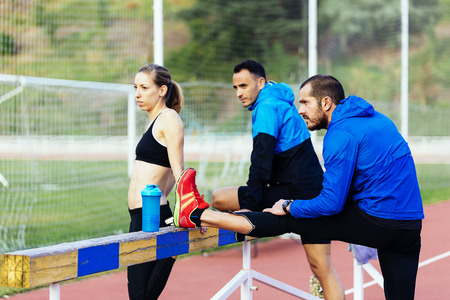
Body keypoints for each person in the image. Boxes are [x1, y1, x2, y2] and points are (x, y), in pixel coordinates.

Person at [174, 74, 424, 300]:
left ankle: (196, 213)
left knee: (284, 219)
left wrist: (289, 206)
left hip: (379, 222)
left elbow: (331, 203)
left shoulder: (339, 135)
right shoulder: (377, 118)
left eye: (305, 102)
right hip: (410, 228)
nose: (300, 109)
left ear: (326, 103)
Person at [210, 59, 344, 299]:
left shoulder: (267, 107)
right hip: (312, 192)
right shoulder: (279, 99)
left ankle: (202, 218)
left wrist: (250, 206)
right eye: (235, 87)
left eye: (244, 85)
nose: (239, 93)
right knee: (322, 269)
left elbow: (261, 161)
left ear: (260, 83)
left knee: (218, 198)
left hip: (297, 196)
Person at [127, 63, 184, 300]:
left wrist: (188, 210)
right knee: (141, 294)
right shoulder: (155, 120)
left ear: (162, 90)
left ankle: (173, 249)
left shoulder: (169, 118)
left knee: (140, 296)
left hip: (152, 215)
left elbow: (179, 170)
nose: (138, 94)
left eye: (144, 87)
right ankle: (173, 250)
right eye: (135, 88)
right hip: (143, 214)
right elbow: (167, 173)